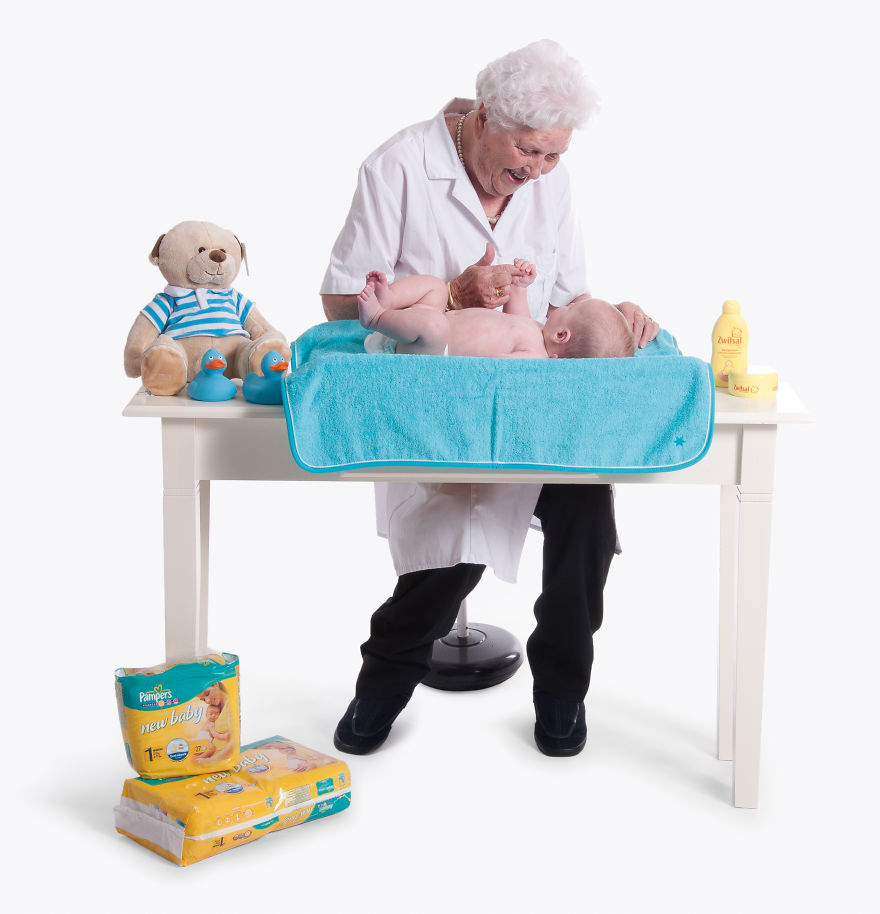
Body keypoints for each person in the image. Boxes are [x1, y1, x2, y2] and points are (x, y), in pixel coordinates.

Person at [320, 40, 659, 758]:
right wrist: (449, 294)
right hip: (435, 412)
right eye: (527, 150)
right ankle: (382, 685)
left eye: (553, 156)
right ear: (484, 117)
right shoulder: (398, 166)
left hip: (531, 410)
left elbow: (567, 302)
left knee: (587, 515)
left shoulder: (550, 185)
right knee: (453, 547)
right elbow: (342, 302)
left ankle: (562, 692)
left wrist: (617, 315)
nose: (537, 169)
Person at [356, 261, 637, 359]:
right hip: (430, 320)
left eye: (571, 308)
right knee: (437, 288)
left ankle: (377, 318)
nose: (565, 305)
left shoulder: (533, 357)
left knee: (434, 326)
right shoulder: (535, 329)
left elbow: (495, 369)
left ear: (562, 335)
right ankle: (389, 299)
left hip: (431, 349)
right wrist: (519, 285)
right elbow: (515, 315)